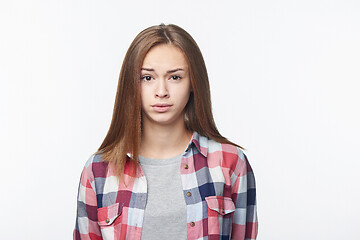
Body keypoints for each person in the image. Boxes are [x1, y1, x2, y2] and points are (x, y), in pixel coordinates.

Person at [73, 23, 258, 240]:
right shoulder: (98, 171)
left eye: (175, 77)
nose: (161, 92)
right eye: (148, 78)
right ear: (132, 84)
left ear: (193, 83)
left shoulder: (231, 163)